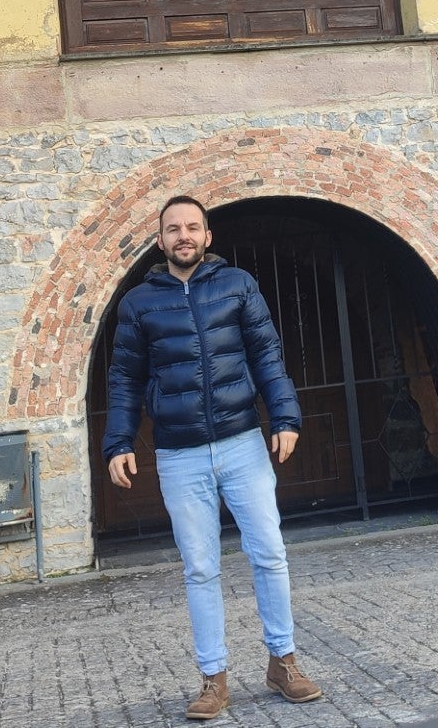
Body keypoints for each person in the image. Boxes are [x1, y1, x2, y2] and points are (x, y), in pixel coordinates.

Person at [104, 195, 322, 720]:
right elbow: (125, 380)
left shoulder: (238, 286)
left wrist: (286, 417)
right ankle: (213, 679)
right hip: (179, 456)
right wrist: (118, 442)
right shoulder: (138, 303)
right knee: (200, 568)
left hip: (242, 443)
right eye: (173, 228)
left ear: (208, 236)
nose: (184, 235)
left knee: (269, 551)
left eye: (192, 227)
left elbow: (267, 354)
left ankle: (283, 662)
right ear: (160, 241)